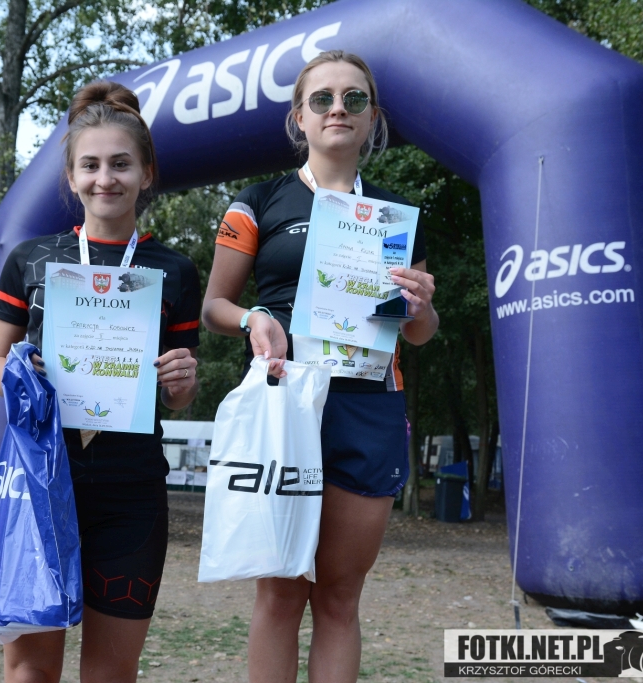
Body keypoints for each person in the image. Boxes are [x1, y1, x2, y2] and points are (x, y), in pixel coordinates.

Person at [201, 50, 438, 683]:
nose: (339, 109)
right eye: (323, 98)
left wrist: (423, 307)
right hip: (286, 403)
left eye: (354, 99)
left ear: (372, 119)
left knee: (338, 597)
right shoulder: (258, 201)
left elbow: (418, 332)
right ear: (299, 117)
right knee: (280, 593)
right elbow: (214, 306)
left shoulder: (395, 216)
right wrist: (253, 318)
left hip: (369, 405)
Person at [0, 81, 202, 683]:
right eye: (91, 165)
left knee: (110, 673)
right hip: (42, 486)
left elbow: (178, 394)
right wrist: (21, 372)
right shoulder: (30, 259)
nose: (106, 178)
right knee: (30, 670)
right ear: (71, 176)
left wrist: (182, 380)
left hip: (131, 494)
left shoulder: (175, 270)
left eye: (121, 164)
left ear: (146, 173)